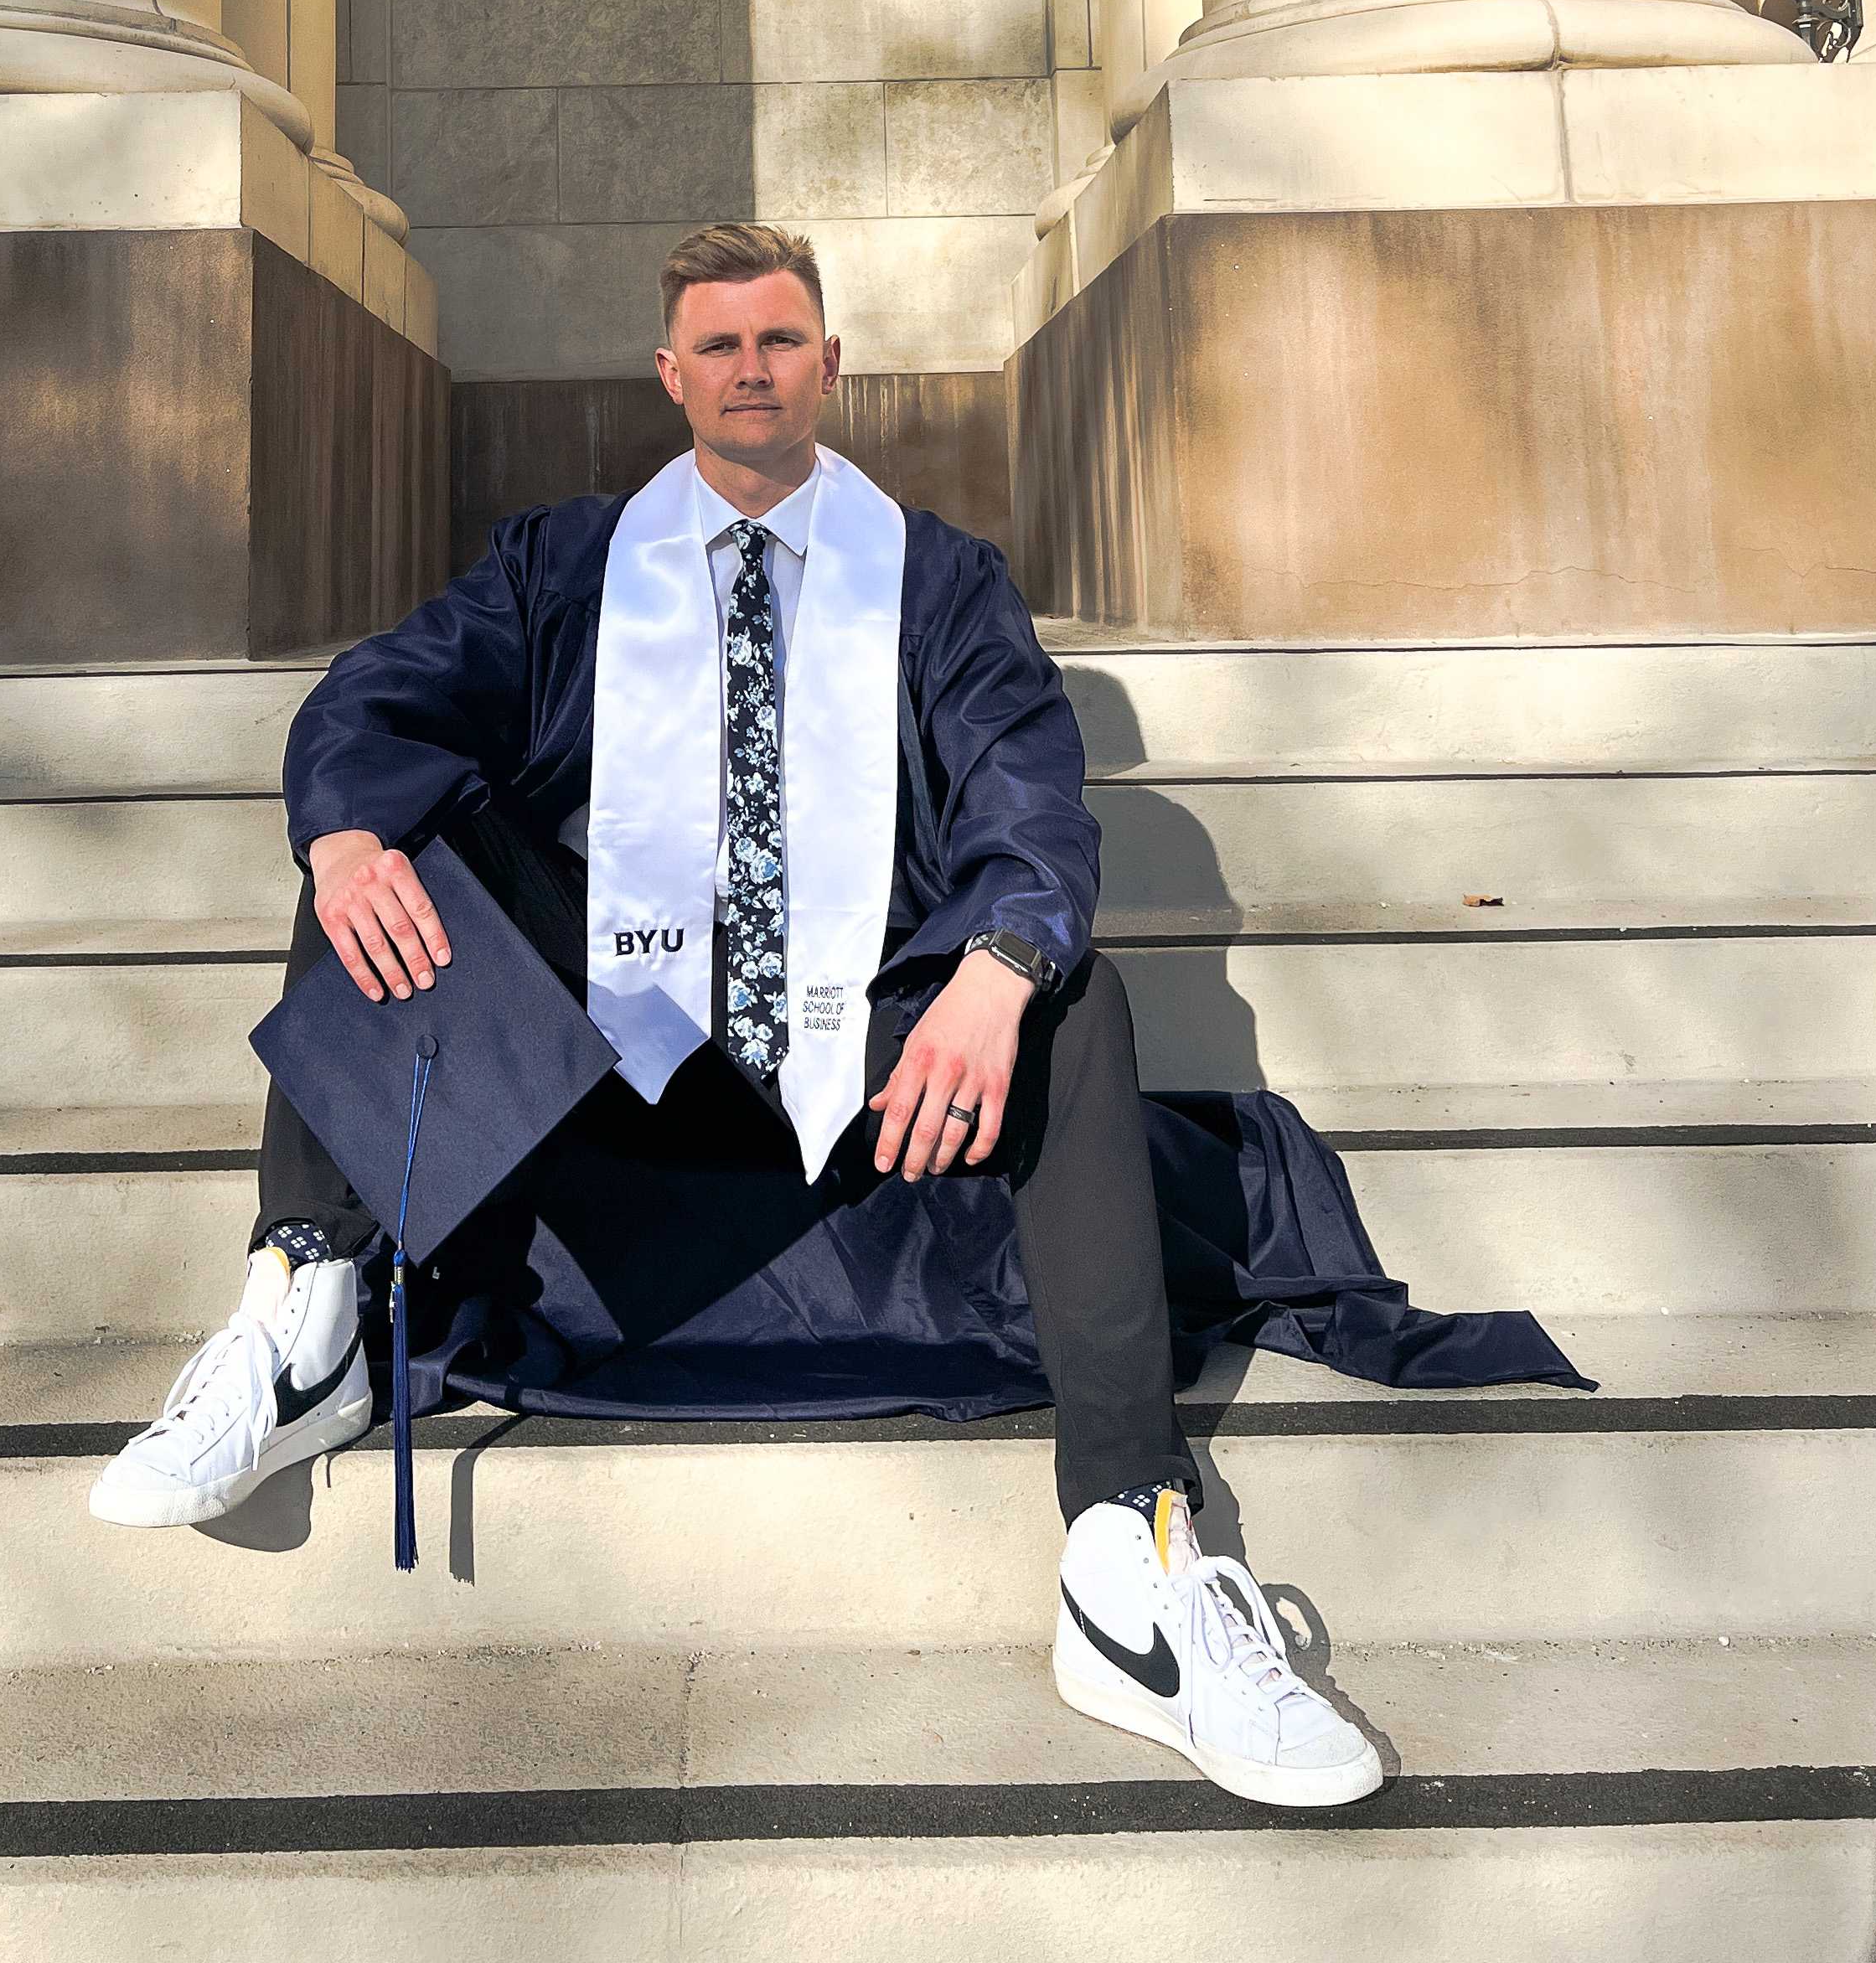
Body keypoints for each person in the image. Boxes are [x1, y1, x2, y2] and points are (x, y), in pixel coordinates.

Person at [91, 220, 1383, 1809]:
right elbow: (381, 695)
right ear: (670, 374)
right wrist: (343, 826)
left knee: (1072, 997)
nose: (751, 369)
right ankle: (306, 1312)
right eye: (719, 345)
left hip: (859, 1049)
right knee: (387, 846)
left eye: (780, 340)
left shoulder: (939, 579)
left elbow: (1029, 792)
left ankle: (1132, 1552)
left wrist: (1000, 967)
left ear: (829, 364)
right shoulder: (567, 565)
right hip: (616, 1058)